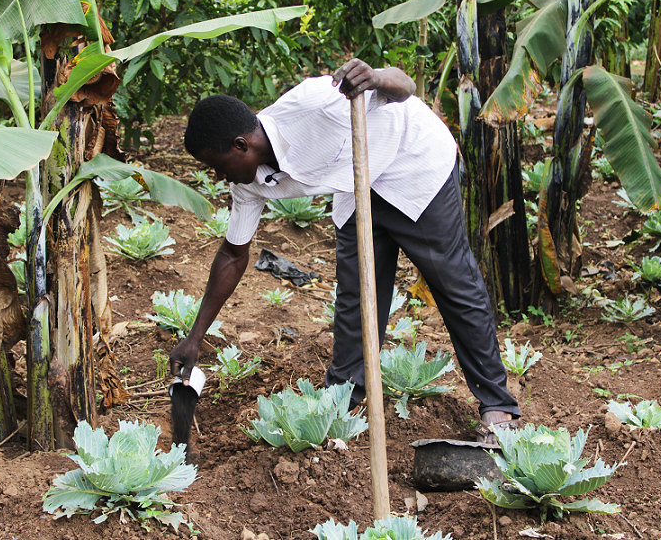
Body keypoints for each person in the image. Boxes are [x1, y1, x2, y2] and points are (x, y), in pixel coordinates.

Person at [168, 58, 519, 444]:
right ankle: (343, 400)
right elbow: (233, 256)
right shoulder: (247, 182)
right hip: (356, 183)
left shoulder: (315, 103)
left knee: (452, 283)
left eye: (218, 167)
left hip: (414, 163)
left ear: (241, 145)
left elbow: (404, 86)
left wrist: (376, 77)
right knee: (356, 297)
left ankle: (497, 407)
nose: (219, 178)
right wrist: (195, 337)